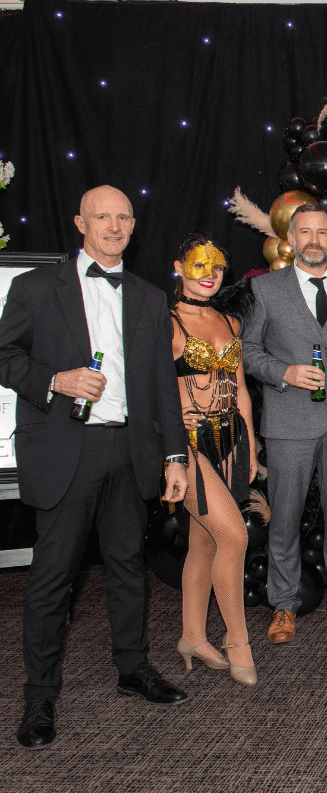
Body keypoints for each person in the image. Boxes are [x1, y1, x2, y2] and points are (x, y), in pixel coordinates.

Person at [0, 186, 189, 750]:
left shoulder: (150, 297)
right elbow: (4, 355)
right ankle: (39, 696)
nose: (113, 226)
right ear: (80, 222)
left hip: (130, 450)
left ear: (133, 225)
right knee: (52, 577)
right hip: (66, 449)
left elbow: (163, 385)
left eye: (123, 217)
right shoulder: (34, 287)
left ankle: (133, 668)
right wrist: (55, 380)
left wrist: (175, 455)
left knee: (128, 567)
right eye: (101, 216)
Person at [242, 203, 327, 643]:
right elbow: (247, 351)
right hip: (288, 419)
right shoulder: (264, 290)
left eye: (322, 232)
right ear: (291, 239)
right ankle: (283, 604)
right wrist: (285, 372)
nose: (314, 240)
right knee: (285, 516)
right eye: (305, 232)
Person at [170, 234, 258, 686]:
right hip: (188, 443)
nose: (209, 274)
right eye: (199, 264)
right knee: (235, 536)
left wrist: (252, 445)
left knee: (204, 542)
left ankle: (191, 636)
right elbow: (148, 386)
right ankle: (238, 641)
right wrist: (171, 432)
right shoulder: (167, 322)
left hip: (231, 438)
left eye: (217, 267)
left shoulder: (229, 321)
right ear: (179, 267)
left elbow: (240, 389)